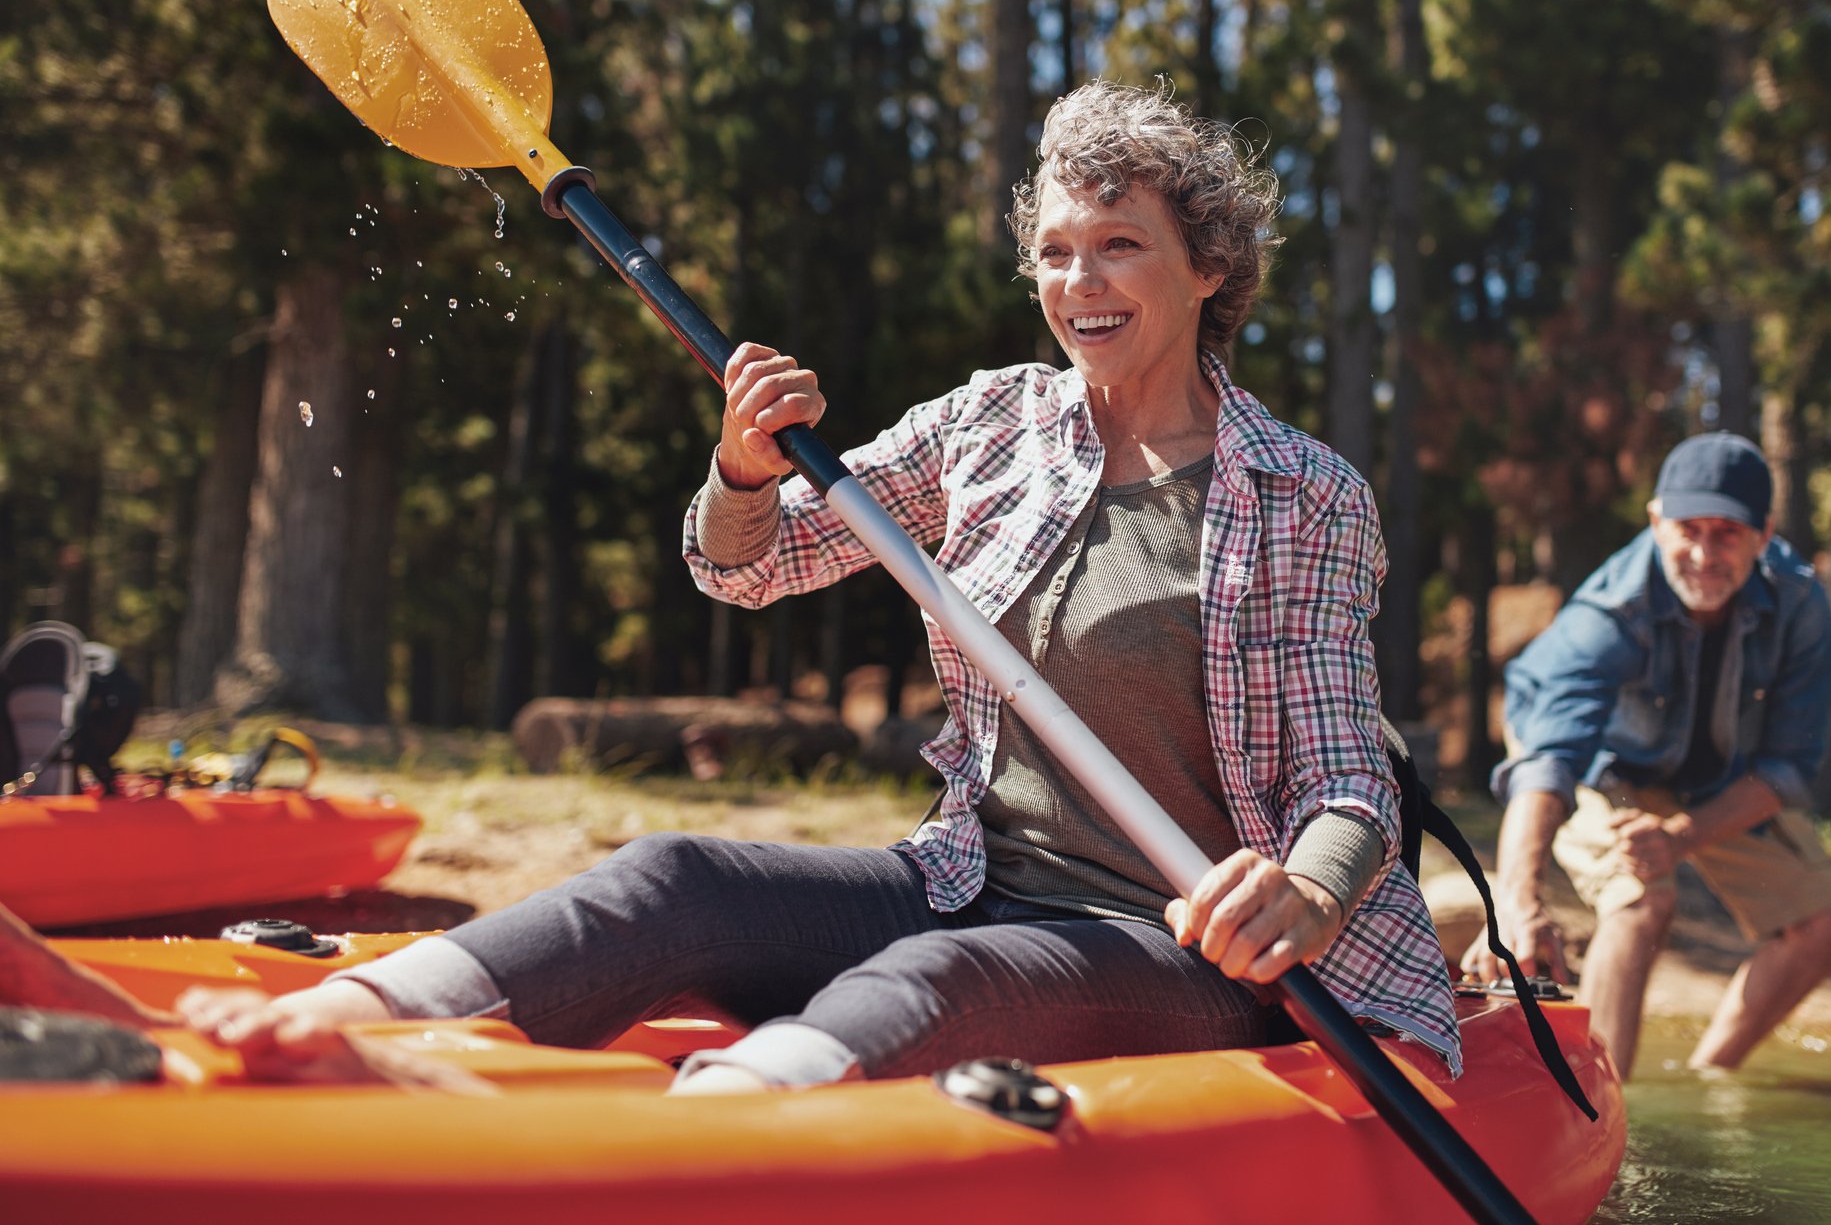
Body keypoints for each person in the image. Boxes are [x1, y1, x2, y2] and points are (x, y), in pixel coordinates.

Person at [115, 80, 1458, 1090]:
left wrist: (1311, 891)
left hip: (1193, 947)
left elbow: (1347, 779)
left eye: (1116, 245)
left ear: (1208, 265)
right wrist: (745, 468)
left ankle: (717, 1133)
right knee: (672, 875)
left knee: (940, 978)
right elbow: (746, 566)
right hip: (969, 876)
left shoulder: (1299, 490)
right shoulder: (992, 425)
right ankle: (344, 1021)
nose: (1074, 281)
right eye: (1052, 249)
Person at [1461, 432, 1831, 1079]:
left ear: (1763, 535)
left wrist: (1680, 837)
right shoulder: (1611, 609)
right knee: (1639, 899)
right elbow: (1548, 761)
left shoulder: (1800, 604)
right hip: (1597, 760)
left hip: (1708, 776)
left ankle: (1709, 1079)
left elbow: (1787, 766)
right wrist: (1518, 903)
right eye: (1687, 529)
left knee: (1829, 921)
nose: (1703, 554)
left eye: (1726, 533)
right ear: (1655, 522)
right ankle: (1596, 1104)